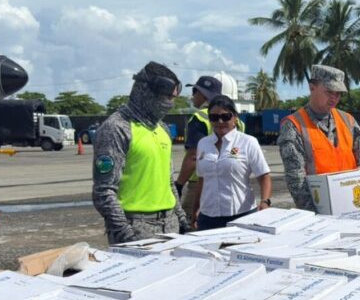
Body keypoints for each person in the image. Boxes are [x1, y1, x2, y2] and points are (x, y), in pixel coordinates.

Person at [93, 62, 189, 244]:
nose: (170, 103)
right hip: (136, 227)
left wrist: (181, 218)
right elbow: (104, 191)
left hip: (170, 225)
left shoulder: (162, 129)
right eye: (167, 97)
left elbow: (168, 182)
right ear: (146, 92)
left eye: (173, 97)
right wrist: (124, 233)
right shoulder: (117, 128)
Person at [278, 65, 360, 211]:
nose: (334, 98)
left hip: (356, 205)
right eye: (329, 92)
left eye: (338, 93)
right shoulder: (294, 126)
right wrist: (316, 215)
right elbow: (296, 179)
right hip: (320, 209)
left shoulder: (348, 121)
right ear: (312, 88)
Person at [192, 95, 272, 231]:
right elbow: (202, 180)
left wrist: (265, 202)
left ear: (235, 117)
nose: (220, 121)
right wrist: (195, 210)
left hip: (241, 216)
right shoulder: (203, 144)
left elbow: (264, 176)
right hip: (208, 218)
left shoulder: (248, 142)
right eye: (214, 117)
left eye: (226, 116)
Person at [175, 75, 223, 223]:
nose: (192, 95)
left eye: (195, 91)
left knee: (189, 226)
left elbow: (193, 156)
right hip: (227, 182)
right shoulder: (235, 119)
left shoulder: (200, 118)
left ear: (203, 94)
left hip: (201, 184)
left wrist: (179, 184)